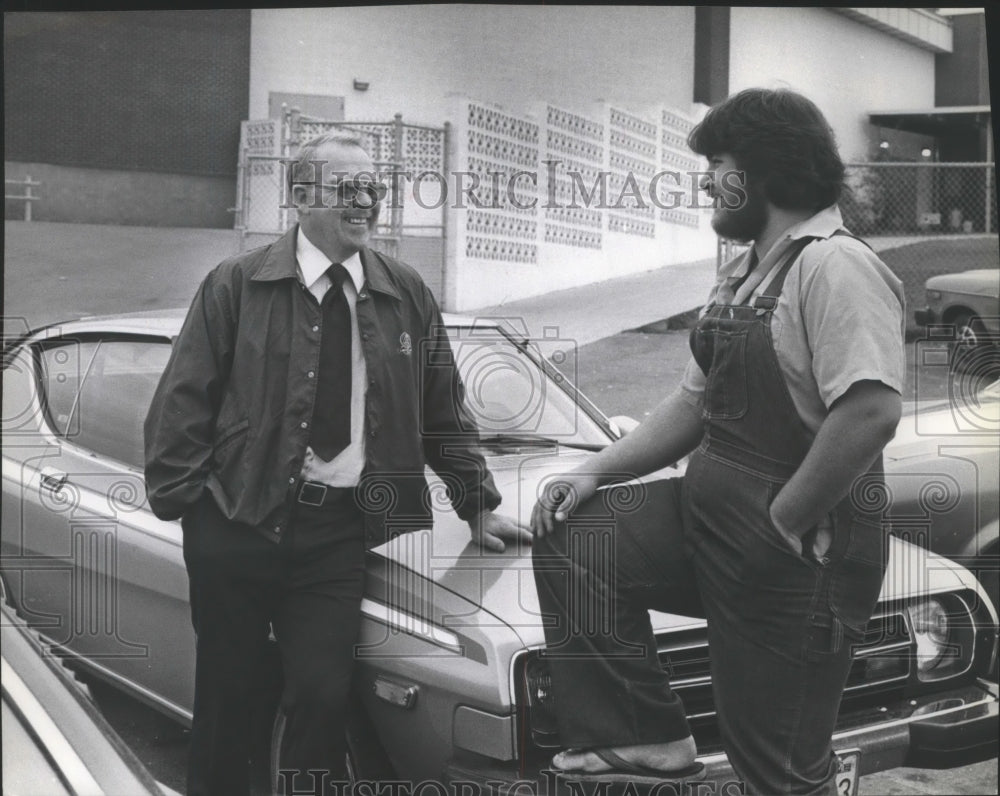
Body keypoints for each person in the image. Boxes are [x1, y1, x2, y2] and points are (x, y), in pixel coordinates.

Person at [531, 88, 905, 795]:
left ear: (768, 171)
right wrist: (595, 472)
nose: (707, 183)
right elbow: (692, 403)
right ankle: (644, 738)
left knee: (777, 770)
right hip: (712, 522)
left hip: (790, 553)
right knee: (580, 538)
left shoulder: (835, 266)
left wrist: (786, 519)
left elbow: (871, 410)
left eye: (721, 166)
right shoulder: (748, 271)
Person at [145, 130, 530, 796]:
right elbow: (184, 398)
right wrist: (192, 507)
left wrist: (476, 503)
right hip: (236, 525)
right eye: (348, 189)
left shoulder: (404, 292)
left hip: (335, 537)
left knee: (321, 698)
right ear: (299, 198)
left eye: (373, 189)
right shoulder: (237, 283)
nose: (366, 203)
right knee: (232, 698)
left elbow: (442, 408)